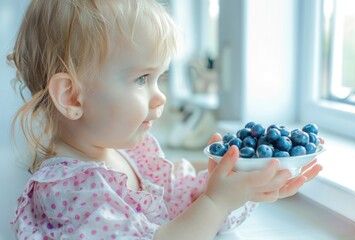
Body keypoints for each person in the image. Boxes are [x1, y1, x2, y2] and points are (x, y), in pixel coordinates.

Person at [8, 0, 323, 239]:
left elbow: (174, 203)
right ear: (72, 97)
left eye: (161, 78)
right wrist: (215, 203)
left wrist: (239, 184)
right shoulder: (70, 190)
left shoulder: (126, 150)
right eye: (143, 79)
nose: (161, 97)